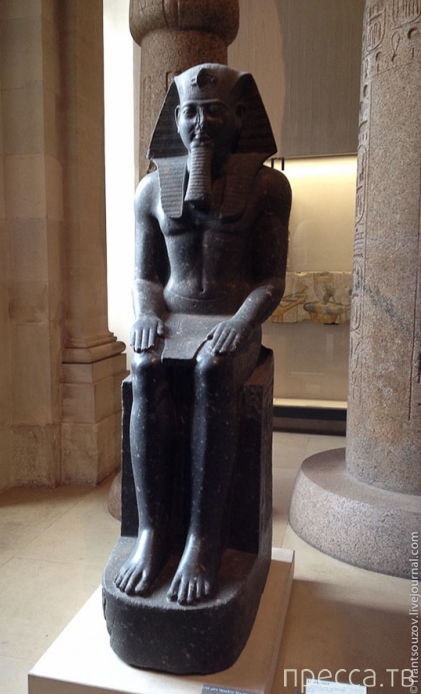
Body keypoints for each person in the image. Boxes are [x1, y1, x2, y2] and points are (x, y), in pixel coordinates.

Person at [114, 63, 291, 605]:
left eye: (214, 112)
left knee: (213, 370)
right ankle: (152, 534)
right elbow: (147, 277)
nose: (201, 124)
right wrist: (147, 313)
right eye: (190, 112)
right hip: (173, 318)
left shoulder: (267, 187)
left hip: (231, 318)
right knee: (144, 368)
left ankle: (203, 541)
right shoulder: (150, 190)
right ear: (175, 119)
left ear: (240, 117)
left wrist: (241, 323)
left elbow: (270, 280)